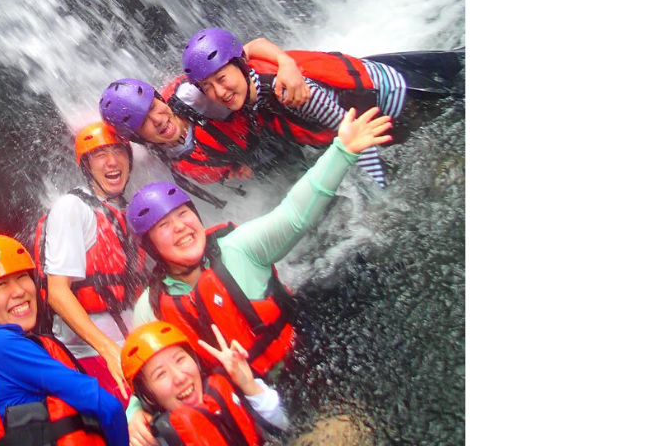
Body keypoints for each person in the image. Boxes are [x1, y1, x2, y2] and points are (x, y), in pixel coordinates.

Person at [122, 106, 392, 445]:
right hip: (246, 405)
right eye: (164, 226)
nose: (180, 228)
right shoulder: (152, 307)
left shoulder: (239, 248)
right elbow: (143, 368)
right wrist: (135, 412)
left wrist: (342, 151)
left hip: (305, 372)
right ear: (150, 246)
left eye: (183, 215)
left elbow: (295, 214)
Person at [182, 27, 464, 187]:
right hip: (377, 78)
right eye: (207, 87)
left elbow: (354, 137)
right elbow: (253, 44)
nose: (219, 92)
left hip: (399, 100)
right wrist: (285, 60)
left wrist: (383, 187)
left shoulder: (290, 92)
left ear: (239, 66)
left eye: (221, 79)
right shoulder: (249, 86)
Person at [0, 234, 129, 446]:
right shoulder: (2, 345)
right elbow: (106, 405)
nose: (20, 291)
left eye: (22, 276)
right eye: (1, 285)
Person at [33, 121, 148, 402]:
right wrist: (108, 349)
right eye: (100, 155)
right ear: (86, 167)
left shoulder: (127, 209)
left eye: (119, 151)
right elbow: (58, 294)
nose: (112, 162)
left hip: (133, 342)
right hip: (91, 353)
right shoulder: (72, 208)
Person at [98, 40, 313, 189]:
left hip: (276, 125)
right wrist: (234, 170)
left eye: (153, 107)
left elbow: (245, 52)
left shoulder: (194, 93)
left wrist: (286, 63)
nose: (158, 119)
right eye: (143, 122)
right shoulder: (172, 161)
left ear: (160, 99)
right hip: (255, 159)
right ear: (137, 137)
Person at [121, 320, 286, 445]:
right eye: (161, 374)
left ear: (196, 362)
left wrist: (249, 386)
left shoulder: (226, 386)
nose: (180, 378)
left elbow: (285, 426)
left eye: (180, 359)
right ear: (148, 397)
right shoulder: (158, 438)